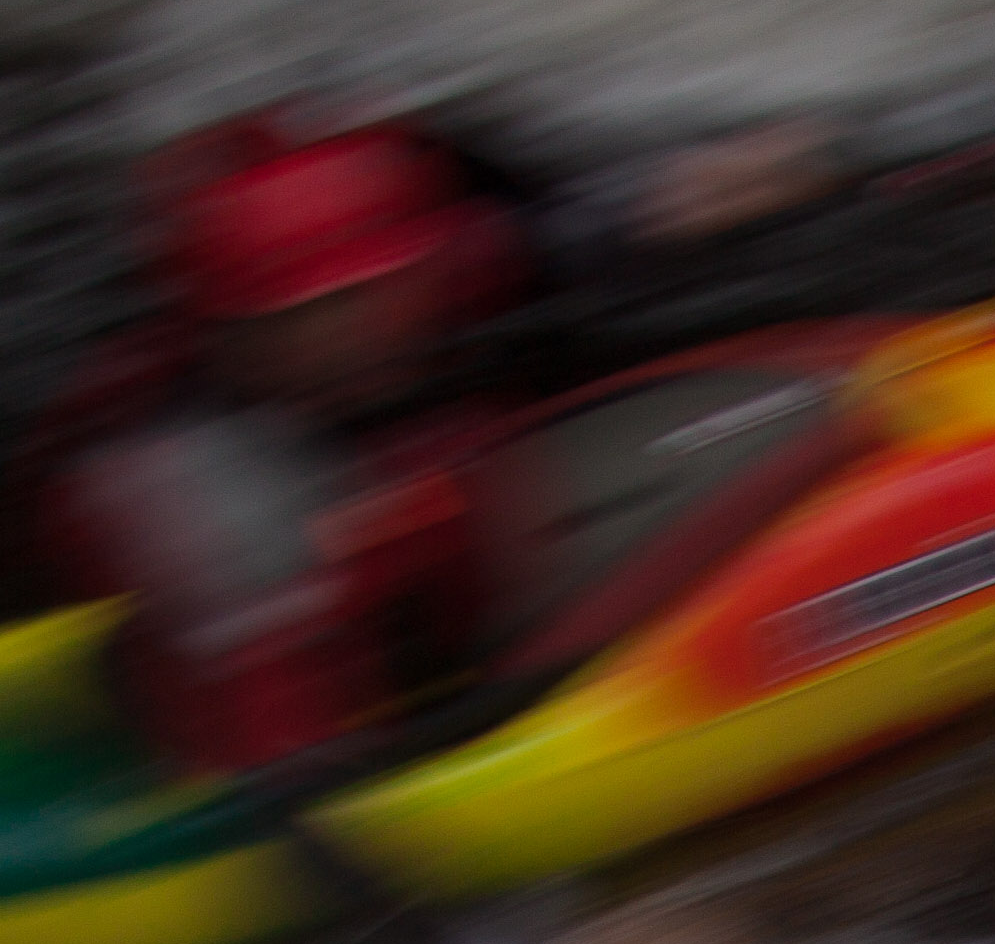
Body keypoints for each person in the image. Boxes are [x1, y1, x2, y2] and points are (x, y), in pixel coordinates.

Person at [14, 104, 836, 778]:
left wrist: (741, 177)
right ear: (234, 336)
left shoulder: (419, 290)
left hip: (415, 581)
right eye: (310, 319)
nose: (355, 333)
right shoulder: (189, 493)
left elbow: (554, 239)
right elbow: (293, 775)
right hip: (246, 683)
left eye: (376, 296)